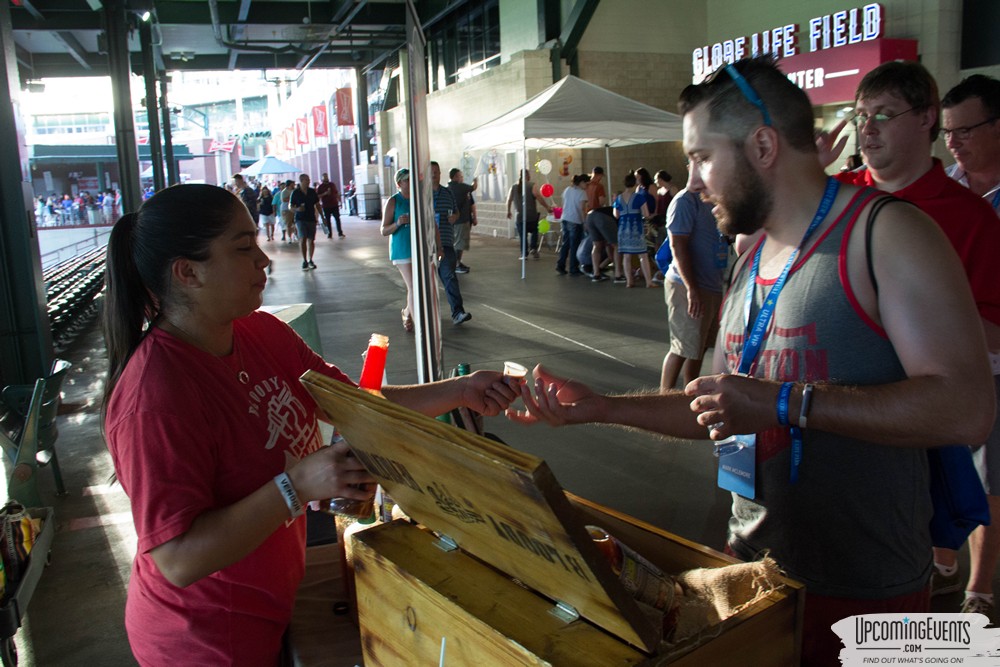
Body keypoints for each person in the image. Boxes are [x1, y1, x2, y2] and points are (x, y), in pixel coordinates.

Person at [507, 57, 994, 666]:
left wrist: (785, 402)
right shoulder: (750, 256)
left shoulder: (885, 234)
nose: (693, 182)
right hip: (751, 571)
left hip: (867, 595)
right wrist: (601, 407)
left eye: (702, 157)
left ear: (763, 145)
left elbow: (965, 409)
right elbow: (725, 402)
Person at [100, 183, 518, 666]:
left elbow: (354, 405)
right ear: (188, 272)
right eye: (243, 248)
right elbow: (177, 558)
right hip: (204, 639)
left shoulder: (261, 333)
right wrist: (296, 485)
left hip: (271, 601)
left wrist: (460, 390)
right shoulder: (155, 396)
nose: (263, 260)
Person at [821, 61, 1000, 620]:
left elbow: (994, 329)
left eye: (883, 115)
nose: (867, 129)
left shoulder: (970, 218)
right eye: (860, 116)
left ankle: (957, 590)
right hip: (839, 404)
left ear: (926, 119)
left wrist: (910, 318)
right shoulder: (832, 198)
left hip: (919, 414)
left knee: (903, 563)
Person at [940, 74, 1000, 616]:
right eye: (948, 131)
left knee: (991, 477)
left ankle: (980, 587)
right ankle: (943, 558)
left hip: (995, 359)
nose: (953, 142)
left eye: (965, 130)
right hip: (940, 357)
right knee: (938, 461)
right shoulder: (948, 190)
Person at [659, 177, 727, 391]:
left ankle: (690, 393)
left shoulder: (713, 199)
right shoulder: (685, 201)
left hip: (711, 284)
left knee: (699, 346)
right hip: (687, 285)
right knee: (681, 347)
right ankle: (664, 397)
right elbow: (677, 246)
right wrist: (692, 289)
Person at [431, 162, 471, 325]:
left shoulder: (448, 193)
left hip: (446, 242)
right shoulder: (421, 195)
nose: (434, 174)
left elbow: (456, 212)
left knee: (449, 276)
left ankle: (458, 312)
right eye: (431, 172)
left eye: (436, 171)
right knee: (424, 282)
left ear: (440, 173)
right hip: (426, 244)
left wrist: (455, 216)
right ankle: (420, 314)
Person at [380, 169, 415, 333]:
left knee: (418, 286)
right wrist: (398, 223)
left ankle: (407, 312)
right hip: (401, 249)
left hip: (417, 248)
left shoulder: (416, 199)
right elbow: (384, 230)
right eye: (407, 180)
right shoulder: (393, 201)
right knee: (413, 286)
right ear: (400, 183)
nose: (411, 182)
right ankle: (418, 324)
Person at [612, 172, 656, 287]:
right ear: (635, 183)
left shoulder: (619, 198)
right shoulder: (639, 197)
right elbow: (646, 214)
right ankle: (648, 282)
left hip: (623, 229)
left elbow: (616, 215)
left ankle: (629, 281)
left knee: (626, 256)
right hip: (636, 228)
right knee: (643, 255)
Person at [506, 169, 550, 259]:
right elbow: (538, 197)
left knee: (523, 236)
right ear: (527, 176)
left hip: (520, 216)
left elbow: (509, 200)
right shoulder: (532, 185)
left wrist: (508, 211)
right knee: (534, 231)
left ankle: (524, 254)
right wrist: (547, 207)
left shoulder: (513, 187)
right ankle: (533, 248)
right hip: (531, 215)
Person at [583, 166, 617, 281]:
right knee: (612, 244)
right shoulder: (599, 186)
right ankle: (617, 271)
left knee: (596, 245)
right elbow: (601, 201)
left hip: (588, 216)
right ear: (599, 175)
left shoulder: (586, 186)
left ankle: (596, 272)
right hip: (598, 215)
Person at [555, 173, 589, 276]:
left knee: (565, 244)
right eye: (586, 184)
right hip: (575, 220)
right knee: (575, 245)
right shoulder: (582, 193)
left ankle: (560, 265)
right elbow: (582, 209)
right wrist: (584, 222)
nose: (587, 186)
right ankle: (573, 268)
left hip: (565, 218)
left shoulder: (567, 190)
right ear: (581, 182)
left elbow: (563, 203)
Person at [447, 168, 477, 273]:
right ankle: (456, 265)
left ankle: (458, 262)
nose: (462, 178)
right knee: (459, 244)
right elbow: (474, 187)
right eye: (461, 176)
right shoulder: (460, 187)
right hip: (461, 221)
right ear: (455, 177)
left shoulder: (448, 188)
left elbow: (471, 203)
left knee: (457, 243)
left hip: (454, 221)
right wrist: (476, 179)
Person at [290, 174, 322, 270]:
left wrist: (322, 216)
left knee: (311, 239)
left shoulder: (312, 192)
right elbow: (290, 206)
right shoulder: (295, 193)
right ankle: (304, 260)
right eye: (306, 180)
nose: (308, 181)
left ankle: (311, 259)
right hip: (300, 219)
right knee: (303, 238)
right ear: (301, 181)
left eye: (308, 180)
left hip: (311, 218)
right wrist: (297, 209)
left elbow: (317, 204)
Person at [316, 173, 344, 239]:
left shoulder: (332, 184)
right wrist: (325, 193)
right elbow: (318, 196)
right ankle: (329, 234)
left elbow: (336, 193)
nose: (326, 178)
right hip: (326, 206)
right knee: (328, 220)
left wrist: (340, 201)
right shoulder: (320, 187)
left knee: (337, 219)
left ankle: (340, 233)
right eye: (324, 177)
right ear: (322, 178)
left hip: (334, 205)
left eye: (326, 176)